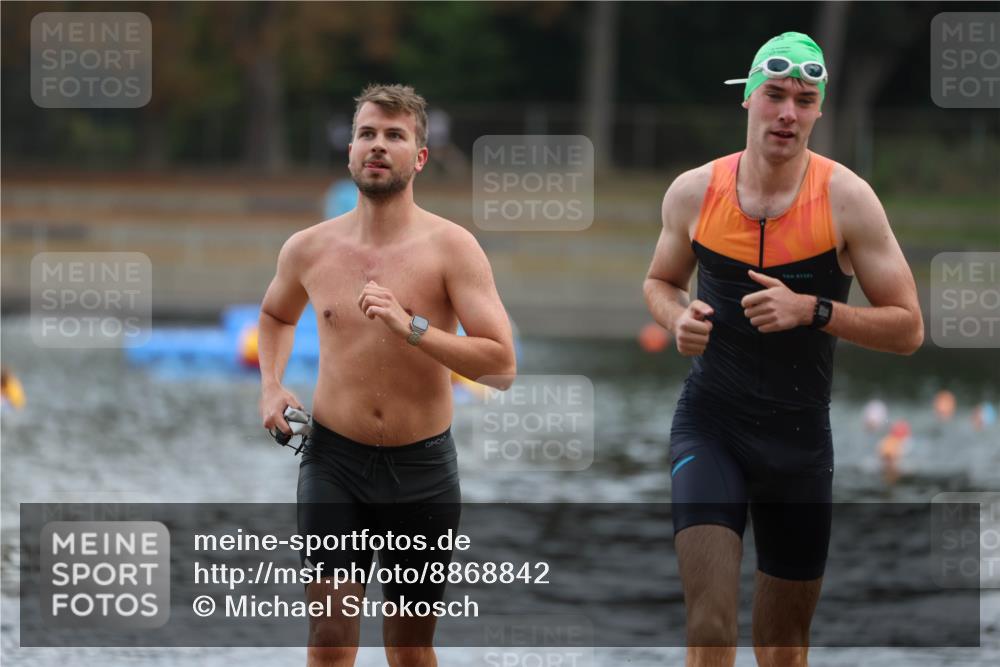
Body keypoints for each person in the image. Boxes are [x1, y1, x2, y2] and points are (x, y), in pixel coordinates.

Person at [642, 32, 923, 667]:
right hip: (710, 426)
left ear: (819, 110)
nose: (788, 113)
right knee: (710, 629)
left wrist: (815, 310)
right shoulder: (695, 191)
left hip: (798, 444)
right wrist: (677, 316)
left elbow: (908, 328)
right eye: (774, 96)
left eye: (804, 99)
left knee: (783, 649)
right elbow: (660, 282)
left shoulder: (848, 200)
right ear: (747, 99)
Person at [258, 83, 516, 667]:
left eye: (394, 136)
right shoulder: (308, 248)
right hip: (333, 462)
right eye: (367, 134)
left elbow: (501, 366)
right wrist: (271, 385)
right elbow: (276, 315)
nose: (378, 146)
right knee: (329, 639)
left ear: (419, 157)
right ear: (349, 152)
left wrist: (413, 328)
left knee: (409, 646)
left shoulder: (453, 249)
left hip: (421, 468)